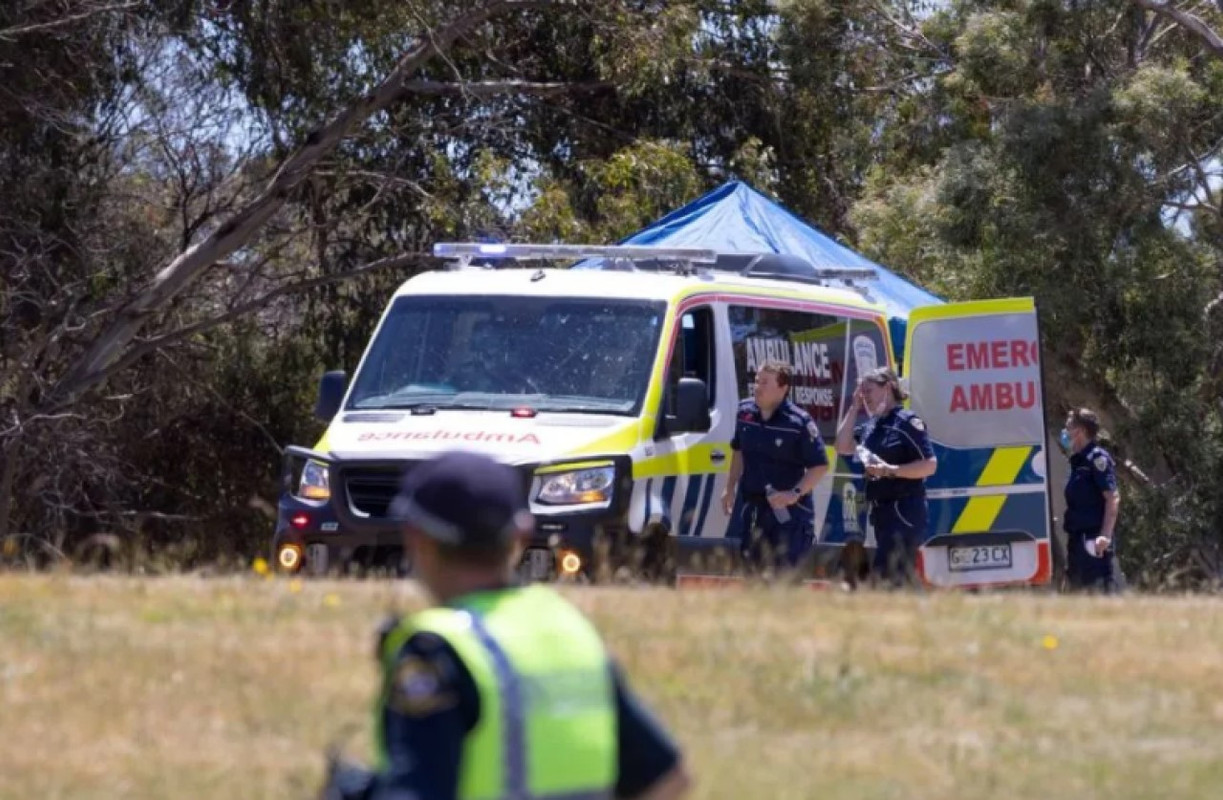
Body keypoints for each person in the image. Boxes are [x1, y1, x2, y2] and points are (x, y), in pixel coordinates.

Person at [322, 449, 691, 800]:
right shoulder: (570, 629)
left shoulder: (436, 652)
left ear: (416, 539)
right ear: (520, 537)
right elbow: (669, 778)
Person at [720, 360, 830, 574]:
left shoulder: (798, 422)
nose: (757, 387)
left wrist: (794, 493)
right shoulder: (745, 413)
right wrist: (730, 486)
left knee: (784, 577)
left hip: (790, 513)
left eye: (765, 382)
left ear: (783, 388)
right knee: (752, 572)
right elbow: (738, 450)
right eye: (756, 381)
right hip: (754, 508)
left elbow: (820, 465)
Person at [834, 367, 937, 588]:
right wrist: (854, 408)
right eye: (862, 392)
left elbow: (929, 465)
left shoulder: (906, 422)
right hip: (882, 512)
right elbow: (842, 446)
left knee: (888, 575)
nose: (865, 397)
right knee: (895, 575)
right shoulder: (873, 425)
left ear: (888, 388)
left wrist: (890, 470)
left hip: (905, 508)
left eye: (869, 391)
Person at [1060, 407, 1124, 594]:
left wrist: (1105, 535)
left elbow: (1112, 498)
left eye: (1068, 427)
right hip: (1076, 540)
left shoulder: (1097, 459)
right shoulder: (1077, 461)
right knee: (1076, 594)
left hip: (1093, 540)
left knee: (1096, 593)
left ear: (1079, 431)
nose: (1065, 432)